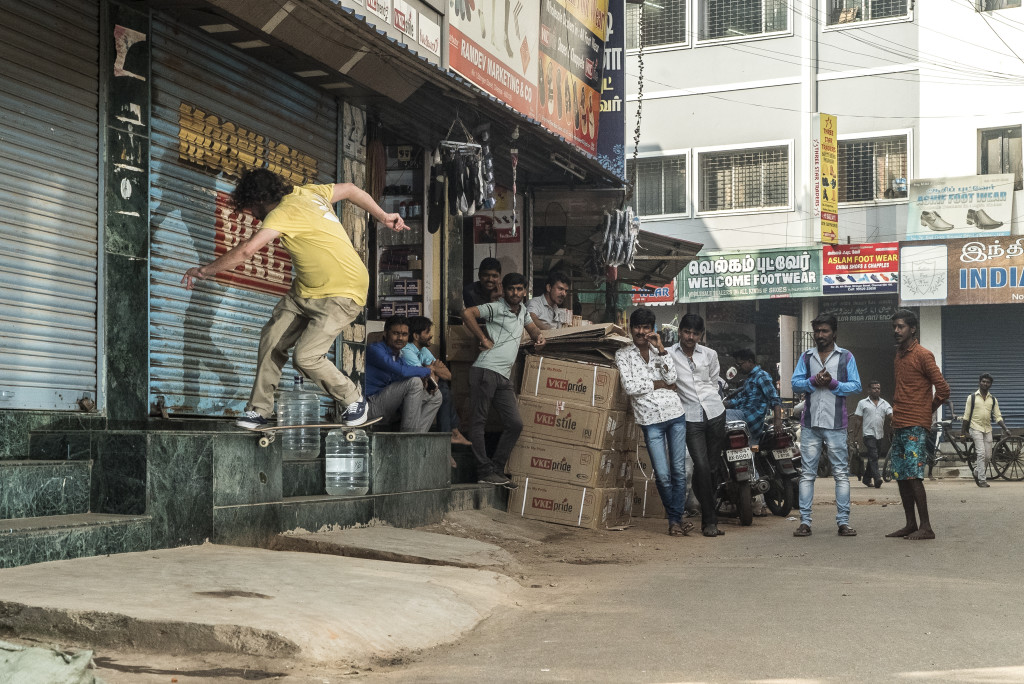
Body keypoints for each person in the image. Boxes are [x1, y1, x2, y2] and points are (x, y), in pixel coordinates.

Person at [181, 168, 406, 429]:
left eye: (252, 209)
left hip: (343, 291)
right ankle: (259, 409)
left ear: (260, 200)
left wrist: (204, 271)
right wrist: (383, 216)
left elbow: (246, 251)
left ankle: (354, 399)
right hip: (306, 289)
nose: (252, 216)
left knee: (306, 357)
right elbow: (351, 189)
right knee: (272, 338)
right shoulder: (310, 192)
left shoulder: (282, 212)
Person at [462, 273, 546, 486]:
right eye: (511, 289)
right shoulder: (496, 307)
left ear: (525, 291)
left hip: (503, 377)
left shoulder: (523, 311)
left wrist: (539, 337)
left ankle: (496, 469)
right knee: (478, 421)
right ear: (504, 289)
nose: (515, 293)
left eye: (519, 289)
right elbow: (467, 313)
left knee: (515, 424)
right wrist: (482, 338)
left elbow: (533, 329)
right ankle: (483, 470)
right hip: (485, 370)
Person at [616, 308, 691, 537]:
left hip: (675, 414)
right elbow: (630, 387)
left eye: (646, 327)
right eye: (637, 327)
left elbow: (672, 378)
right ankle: (677, 518)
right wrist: (657, 385)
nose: (641, 332)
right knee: (662, 473)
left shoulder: (660, 352)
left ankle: (674, 521)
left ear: (653, 329)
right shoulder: (623, 355)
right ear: (631, 329)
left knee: (679, 471)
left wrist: (661, 349)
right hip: (650, 420)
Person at [790, 313, 862, 538]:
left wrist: (832, 383)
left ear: (834, 333)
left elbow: (856, 386)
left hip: (836, 424)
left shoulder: (846, 357)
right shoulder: (806, 357)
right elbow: (794, 383)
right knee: (807, 474)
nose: (820, 335)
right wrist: (812, 381)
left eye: (825, 331)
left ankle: (843, 522)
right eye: (817, 331)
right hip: (810, 423)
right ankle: (805, 522)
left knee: (840, 474)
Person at [887, 308, 949, 540]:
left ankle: (926, 526)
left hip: (915, 424)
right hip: (900, 422)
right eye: (894, 326)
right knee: (901, 476)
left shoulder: (923, 354)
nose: (896, 330)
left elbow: (943, 389)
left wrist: (927, 410)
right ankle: (910, 523)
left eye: (901, 326)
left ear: (913, 329)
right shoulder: (899, 355)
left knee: (914, 476)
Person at [667, 313, 726, 537]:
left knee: (711, 468)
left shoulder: (710, 355)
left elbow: (713, 382)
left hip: (715, 413)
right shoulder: (670, 354)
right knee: (700, 467)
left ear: (701, 335)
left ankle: (710, 517)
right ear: (679, 331)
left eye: (695, 333)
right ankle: (710, 521)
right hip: (690, 417)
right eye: (686, 332)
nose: (690, 337)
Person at [401, 315, 473, 448]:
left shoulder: (423, 350)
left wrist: (432, 369)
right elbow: (427, 378)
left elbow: (448, 375)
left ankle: (450, 435)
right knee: (443, 390)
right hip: (409, 393)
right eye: (427, 332)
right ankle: (451, 434)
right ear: (416, 336)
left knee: (443, 387)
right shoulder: (407, 351)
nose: (431, 336)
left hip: (423, 388)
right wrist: (432, 370)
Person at [364, 315, 442, 432]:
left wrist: (424, 380)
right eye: (396, 333)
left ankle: (416, 438)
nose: (400, 338)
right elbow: (401, 371)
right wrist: (427, 371)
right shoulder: (375, 349)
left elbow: (404, 373)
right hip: (371, 406)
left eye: (404, 335)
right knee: (414, 382)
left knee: (436, 396)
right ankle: (408, 437)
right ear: (385, 333)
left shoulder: (399, 357)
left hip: (389, 406)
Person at [724, 349, 783, 443]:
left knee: (716, 416)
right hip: (744, 417)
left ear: (750, 361)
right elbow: (742, 399)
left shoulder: (761, 376)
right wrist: (726, 403)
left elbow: (774, 398)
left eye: (740, 364)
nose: (739, 368)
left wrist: (778, 420)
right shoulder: (750, 379)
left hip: (748, 419)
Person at [962, 373, 1009, 488]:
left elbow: (998, 416)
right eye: (983, 381)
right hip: (975, 428)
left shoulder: (993, 400)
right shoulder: (972, 397)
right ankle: (982, 480)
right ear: (979, 382)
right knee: (981, 454)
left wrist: (1005, 428)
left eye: (988, 382)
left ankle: (977, 471)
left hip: (987, 429)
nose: (985, 383)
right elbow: (966, 416)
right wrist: (963, 433)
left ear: (990, 385)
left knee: (988, 456)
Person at [853, 381, 893, 489]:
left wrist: (894, 424)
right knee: (874, 455)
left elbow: (891, 415)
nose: (877, 390)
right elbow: (858, 420)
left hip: (879, 435)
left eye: (878, 388)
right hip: (868, 434)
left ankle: (866, 479)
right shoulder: (862, 403)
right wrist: (855, 435)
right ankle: (877, 478)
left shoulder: (884, 403)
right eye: (874, 388)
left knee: (874, 457)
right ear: (869, 390)